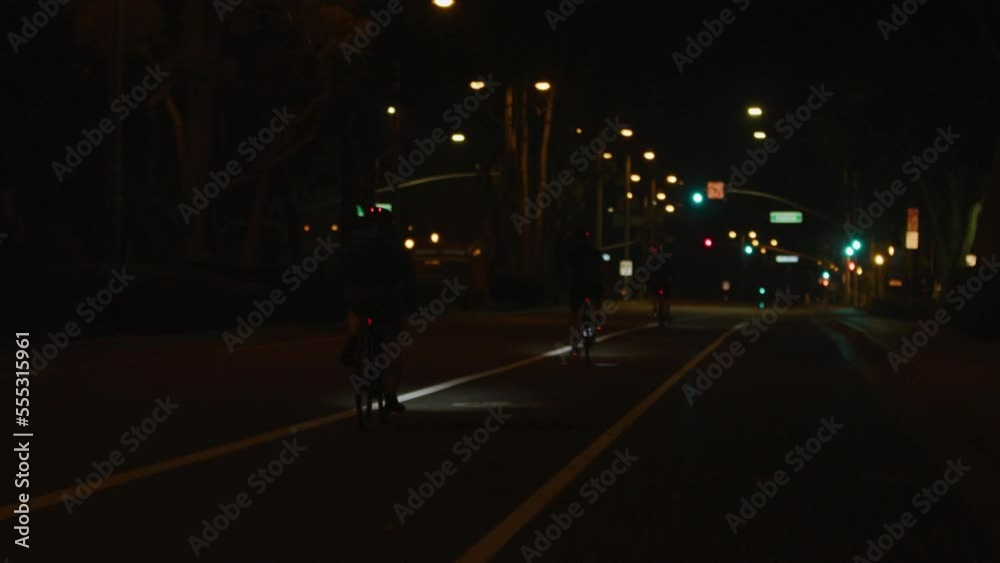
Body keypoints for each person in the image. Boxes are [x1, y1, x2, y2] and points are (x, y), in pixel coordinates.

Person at [339, 205, 416, 412]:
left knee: (355, 308)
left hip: (359, 297)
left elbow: (342, 269)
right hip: (387, 300)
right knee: (394, 344)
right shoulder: (394, 245)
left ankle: (354, 340)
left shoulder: (355, 243)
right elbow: (407, 276)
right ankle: (390, 395)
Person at [563, 229, 603, 349]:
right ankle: (596, 326)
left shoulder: (572, 253)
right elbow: (600, 270)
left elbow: (567, 269)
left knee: (574, 312)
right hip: (593, 284)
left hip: (578, 284)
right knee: (597, 305)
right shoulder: (594, 252)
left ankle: (574, 340)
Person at [646, 243, 672, 323]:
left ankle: (659, 310)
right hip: (661, 282)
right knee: (664, 297)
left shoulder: (653, 261)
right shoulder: (662, 260)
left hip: (659, 282)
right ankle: (665, 311)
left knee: (658, 296)